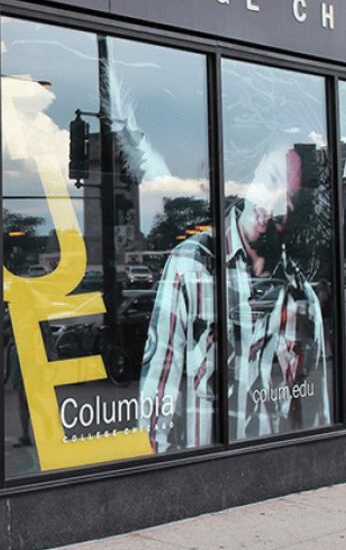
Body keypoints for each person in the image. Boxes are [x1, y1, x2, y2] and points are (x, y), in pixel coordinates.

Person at [137, 141, 327, 451]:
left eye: (288, 200)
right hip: (200, 467)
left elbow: (314, 414)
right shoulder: (192, 265)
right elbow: (157, 394)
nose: (272, 205)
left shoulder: (302, 299)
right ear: (254, 173)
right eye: (271, 181)